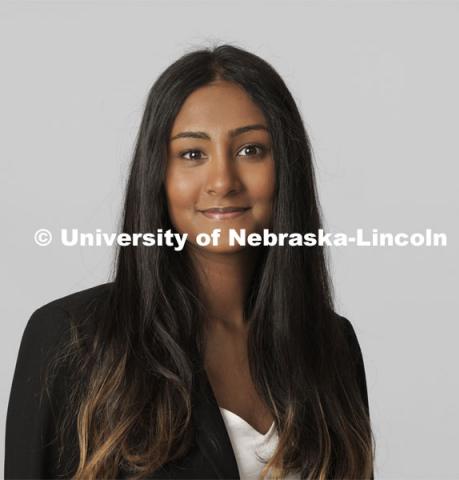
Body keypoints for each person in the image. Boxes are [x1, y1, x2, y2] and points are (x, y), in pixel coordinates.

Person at [5, 43, 375, 479]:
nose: (222, 181)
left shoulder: (331, 346)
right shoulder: (73, 339)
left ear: (286, 168)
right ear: (157, 175)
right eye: (192, 154)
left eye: (251, 150)